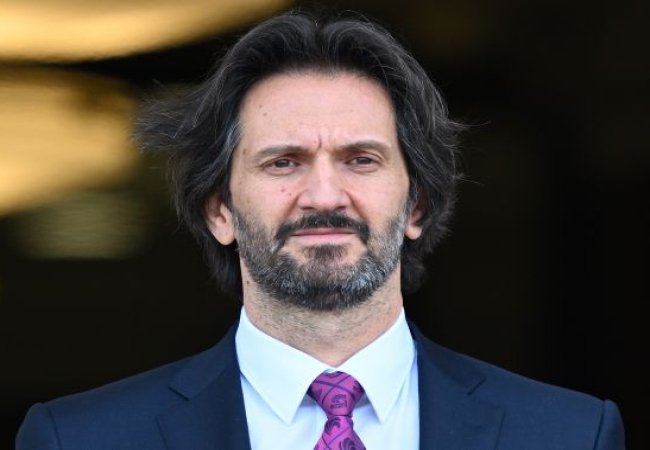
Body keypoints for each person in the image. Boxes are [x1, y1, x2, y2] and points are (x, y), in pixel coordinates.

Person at [16, 11, 625, 450]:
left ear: (417, 206)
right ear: (219, 211)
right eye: (284, 162)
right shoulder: (80, 439)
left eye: (361, 159)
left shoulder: (571, 435)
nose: (325, 195)